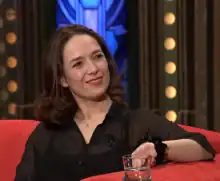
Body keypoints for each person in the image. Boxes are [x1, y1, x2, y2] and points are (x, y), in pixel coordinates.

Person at [14, 24, 215, 181]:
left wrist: (158, 149)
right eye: (78, 64)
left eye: (97, 57)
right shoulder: (46, 135)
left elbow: (202, 147)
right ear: (62, 79)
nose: (93, 69)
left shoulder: (136, 124)